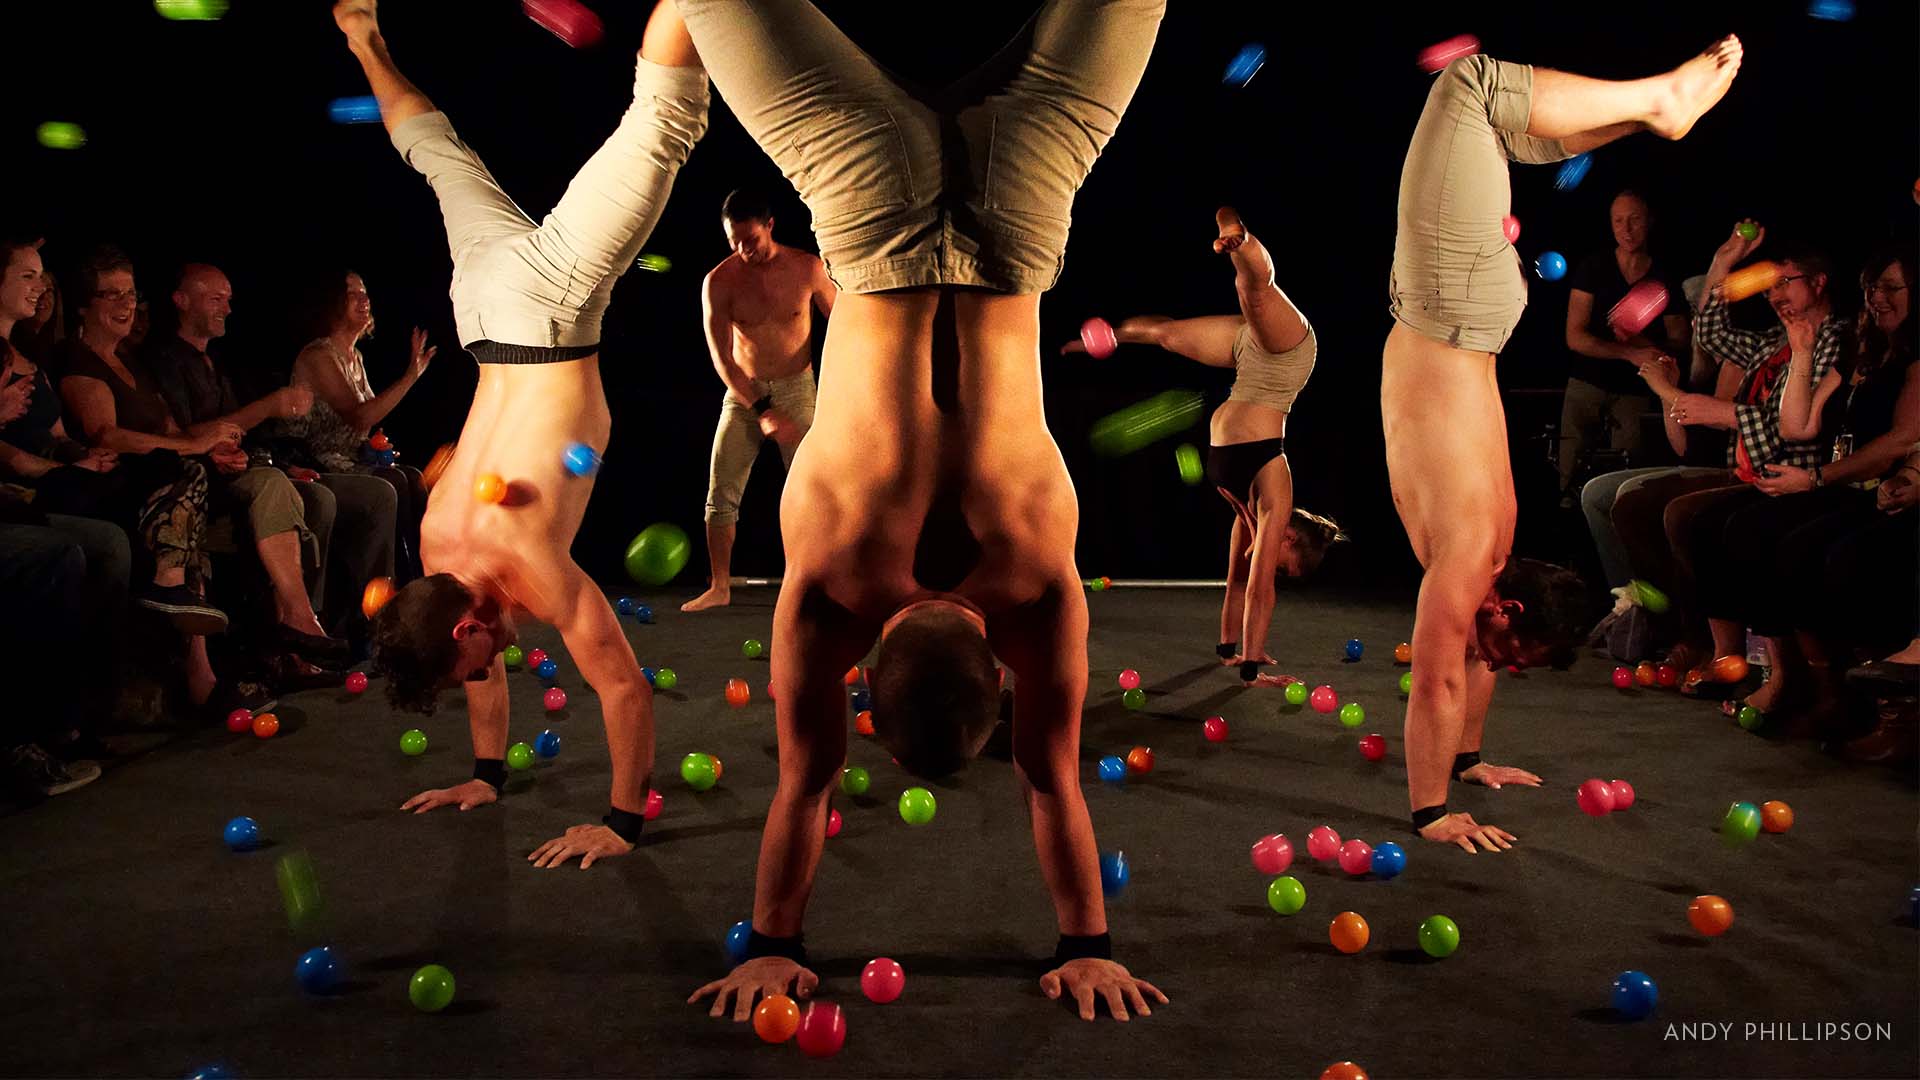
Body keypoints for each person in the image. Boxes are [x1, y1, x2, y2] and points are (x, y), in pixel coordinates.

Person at [675, 0, 1167, 1024]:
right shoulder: (829, 592)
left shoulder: (1034, 593)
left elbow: (1051, 781)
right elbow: (805, 785)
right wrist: (771, 944)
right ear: (864, 683)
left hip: (1018, 218)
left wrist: (1091, 945)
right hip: (868, 211)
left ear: (998, 673)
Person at [335, 0, 707, 864]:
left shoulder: (527, 563)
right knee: (439, 158)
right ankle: (362, 36)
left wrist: (620, 824)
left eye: (473, 663)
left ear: (464, 629)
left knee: (666, 122)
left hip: (551, 305)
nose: (488, 666)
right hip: (482, 309)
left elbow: (622, 687)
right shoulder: (434, 553)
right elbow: (483, 663)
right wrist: (487, 774)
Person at [1381, 41, 1742, 853]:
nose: (1497, 669)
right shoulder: (1473, 558)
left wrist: (1471, 760)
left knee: (1501, 124)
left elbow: (1473, 664)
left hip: (1462, 311)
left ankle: (1652, 112)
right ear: (1506, 605)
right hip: (1450, 303)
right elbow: (1440, 675)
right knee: (1472, 84)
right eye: (1515, 652)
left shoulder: (1491, 566)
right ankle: (1658, 100)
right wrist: (1431, 812)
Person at [1057, 207, 1344, 683]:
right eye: (1287, 568)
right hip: (1291, 357)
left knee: (1165, 334)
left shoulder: (1245, 514)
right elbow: (1259, 590)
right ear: (1290, 539)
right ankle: (1237, 234)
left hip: (1249, 360)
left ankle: (1111, 336)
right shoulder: (1276, 490)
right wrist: (1255, 670)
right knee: (1254, 292)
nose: (1276, 573)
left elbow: (1236, 581)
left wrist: (1231, 651)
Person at [1701, 244, 1917, 729]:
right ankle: (1789, 677)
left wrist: (1815, 478)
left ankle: (1833, 690)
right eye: (1870, 288)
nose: (1876, 298)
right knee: (1740, 527)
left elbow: (1899, 439)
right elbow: (1799, 425)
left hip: (1880, 489)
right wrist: (1799, 353)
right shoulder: (1864, 347)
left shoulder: (1910, 355)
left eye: (1890, 287)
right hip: (1847, 485)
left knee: (1800, 546)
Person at [54, 247, 276, 718]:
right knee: (186, 475)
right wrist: (194, 451)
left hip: (163, 481)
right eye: (110, 294)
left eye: (130, 293)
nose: (125, 303)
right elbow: (105, 433)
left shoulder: (132, 363)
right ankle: (168, 586)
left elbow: (173, 432)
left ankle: (203, 676)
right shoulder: (78, 360)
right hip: (112, 484)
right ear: (82, 304)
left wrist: (215, 448)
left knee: (193, 488)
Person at [1625, 228, 1845, 688]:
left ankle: (1736, 654)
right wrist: (1724, 260)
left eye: (1785, 283)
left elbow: (1792, 431)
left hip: (1785, 471)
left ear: (1819, 282)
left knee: (1691, 515)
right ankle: (1695, 639)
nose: (1775, 295)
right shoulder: (1771, 342)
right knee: (1636, 503)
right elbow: (1712, 332)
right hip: (1746, 467)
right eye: (1769, 287)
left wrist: (1725, 413)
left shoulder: (1833, 339)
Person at [143, 262, 365, 673]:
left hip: (236, 470)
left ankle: (300, 633)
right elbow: (188, 436)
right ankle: (300, 623)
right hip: (192, 479)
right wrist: (269, 407)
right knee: (272, 487)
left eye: (228, 299)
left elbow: (238, 433)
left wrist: (269, 460)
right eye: (215, 299)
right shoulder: (163, 360)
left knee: (314, 496)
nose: (226, 308)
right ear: (181, 301)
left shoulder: (216, 363)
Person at [680, 190, 835, 613]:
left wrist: (842, 397)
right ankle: (719, 586)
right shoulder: (719, 281)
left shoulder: (808, 269)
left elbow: (843, 329)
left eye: (751, 239)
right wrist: (762, 409)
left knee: (814, 490)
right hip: (745, 393)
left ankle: (815, 583)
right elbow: (722, 356)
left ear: (770, 226)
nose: (743, 250)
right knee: (721, 491)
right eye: (734, 242)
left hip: (799, 389)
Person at [285, 270, 434, 581]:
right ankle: (375, 598)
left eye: (364, 292)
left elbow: (363, 427)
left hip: (350, 461)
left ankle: (419, 576)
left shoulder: (356, 357)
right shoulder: (318, 355)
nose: (364, 299)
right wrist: (411, 376)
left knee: (410, 477)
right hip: (315, 465)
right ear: (332, 303)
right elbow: (359, 417)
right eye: (352, 293)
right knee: (385, 489)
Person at [1557, 189, 1690, 500]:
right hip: (1586, 383)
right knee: (1569, 474)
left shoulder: (1664, 276)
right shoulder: (1593, 267)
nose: (1626, 229)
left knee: (1626, 481)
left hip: (1636, 392)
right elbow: (1574, 336)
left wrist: (1639, 339)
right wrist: (1628, 351)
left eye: (1634, 220)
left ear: (1649, 222)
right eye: (1619, 221)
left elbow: (1680, 342)